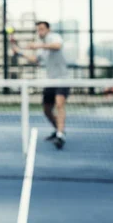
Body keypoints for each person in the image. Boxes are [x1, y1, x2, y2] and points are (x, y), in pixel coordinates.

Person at [12, 21, 69, 149]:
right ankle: (59, 130)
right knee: (46, 110)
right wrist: (20, 52)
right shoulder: (42, 48)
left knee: (59, 104)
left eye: (42, 29)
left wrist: (38, 46)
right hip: (50, 80)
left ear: (48, 29)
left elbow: (57, 46)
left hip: (63, 79)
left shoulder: (54, 37)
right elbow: (36, 60)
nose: (40, 31)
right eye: (38, 29)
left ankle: (60, 135)